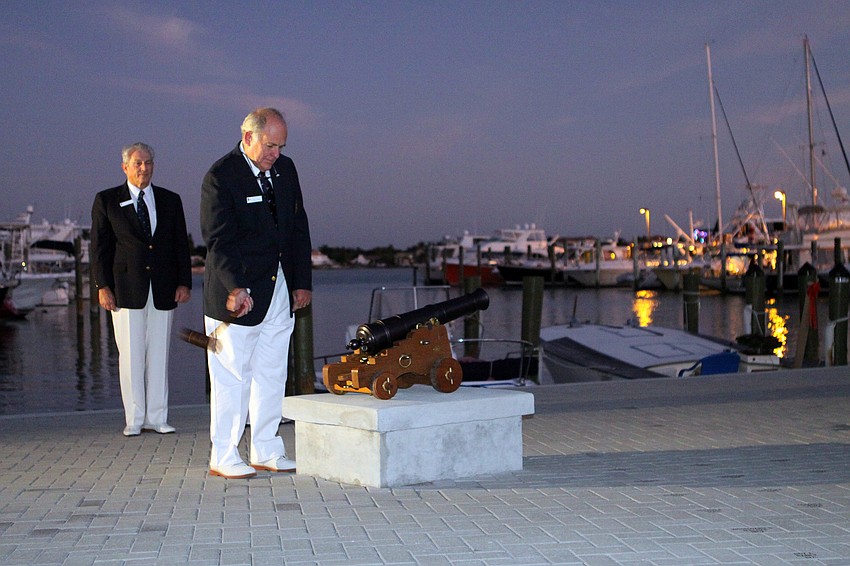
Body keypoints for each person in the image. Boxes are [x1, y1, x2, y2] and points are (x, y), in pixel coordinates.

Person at [201, 108, 312, 479]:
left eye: (280, 146)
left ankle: (267, 449)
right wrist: (235, 287)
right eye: (269, 145)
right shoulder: (221, 177)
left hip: (279, 287)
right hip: (238, 292)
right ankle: (225, 454)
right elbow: (218, 241)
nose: (275, 154)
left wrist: (301, 281)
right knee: (232, 375)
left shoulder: (286, 169)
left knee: (272, 371)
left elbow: (298, 225)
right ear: (247, 136)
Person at [91, 142, 192, 437]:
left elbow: (180, 246)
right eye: (137, 163)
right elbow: (99, 249)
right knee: (131, 355)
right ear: (125, 167)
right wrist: (102, 286)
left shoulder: (170, 200)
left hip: (163, 289)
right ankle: (134, 418)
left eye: (148, 162)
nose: (143, 168)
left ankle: (158, 417)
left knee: (159, 354)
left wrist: (184, 281)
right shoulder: (107, 200)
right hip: (125, 289)